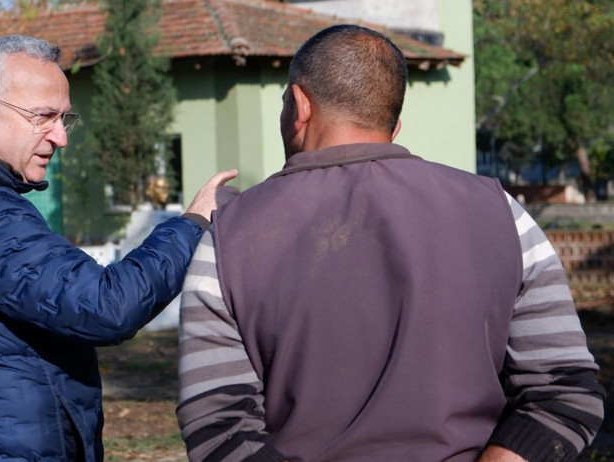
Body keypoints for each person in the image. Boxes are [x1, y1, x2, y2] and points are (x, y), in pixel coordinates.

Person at [176, 24, 605, 462]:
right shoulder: (504, 214)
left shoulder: (229, 236)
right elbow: (567, 390)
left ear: (300, 106)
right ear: (394, 126)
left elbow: (217, 425)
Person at [0, 35, 237, 461]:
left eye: (63, 118)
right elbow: (106, 306)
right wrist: (193, 223)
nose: (60, 137)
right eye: (43, 117)